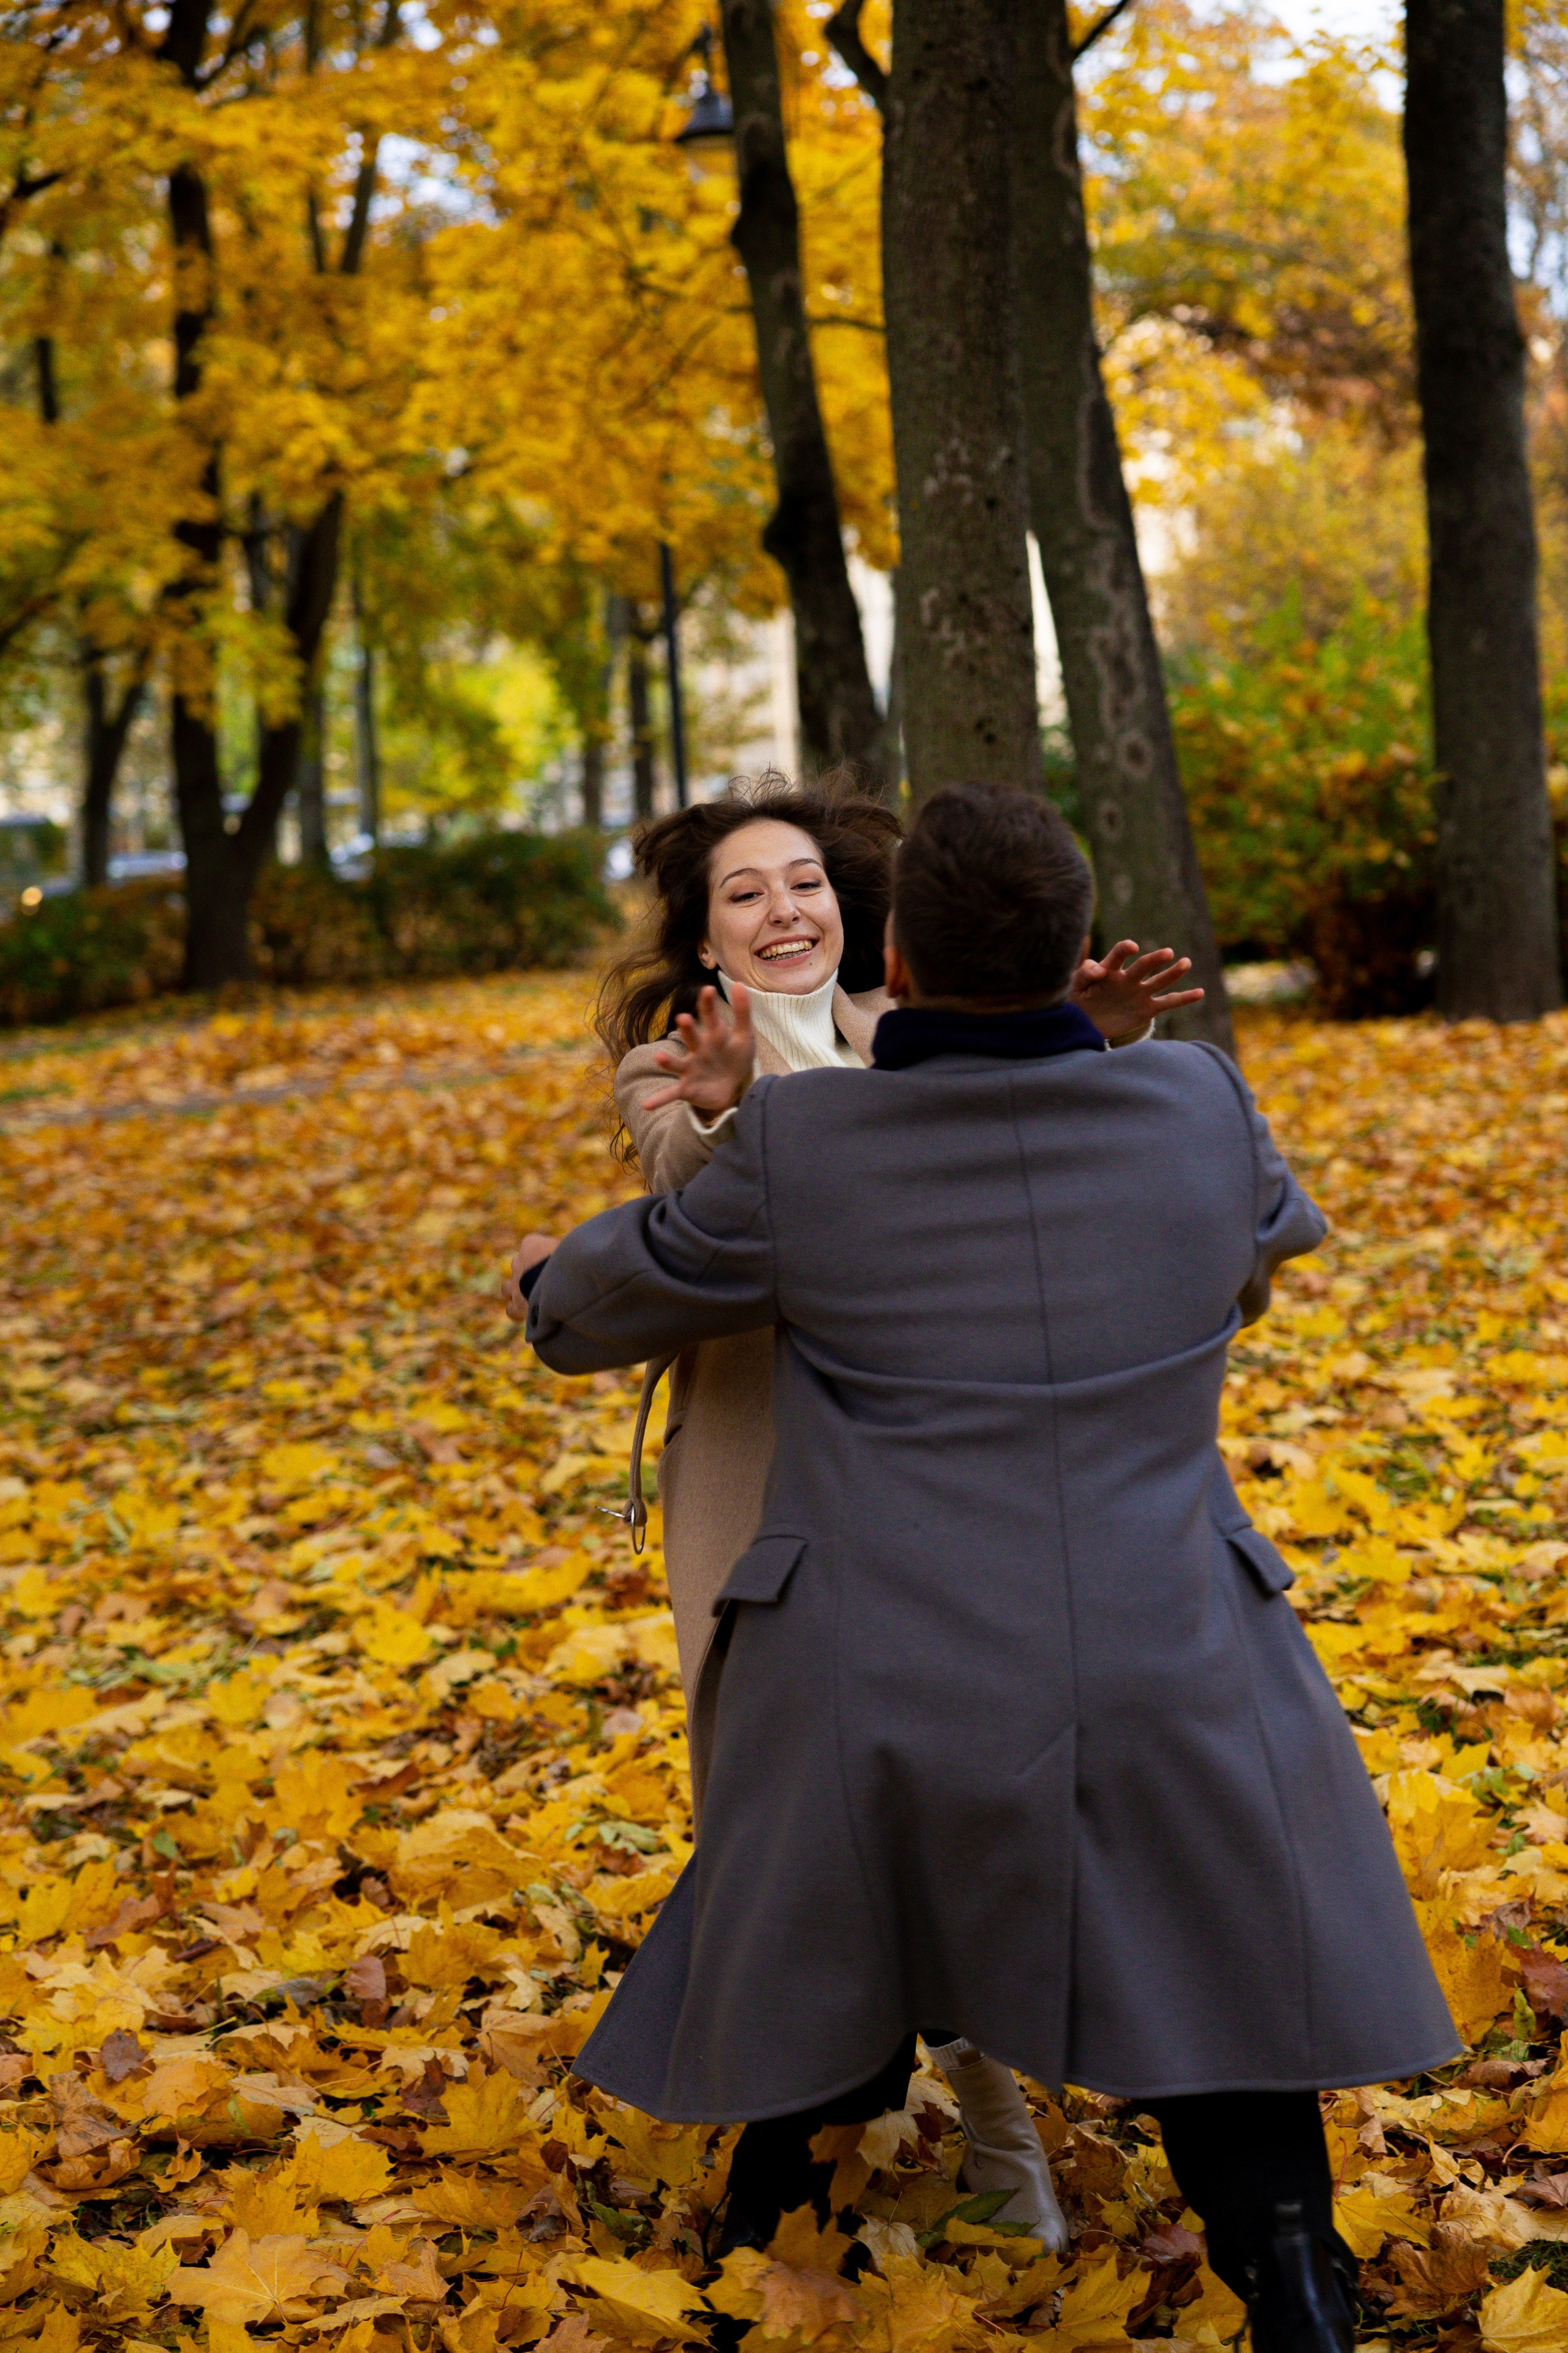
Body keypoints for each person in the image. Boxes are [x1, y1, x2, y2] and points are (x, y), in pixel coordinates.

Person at [513, 783, 1459, 2353]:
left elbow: (586, 1316)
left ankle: (765, 2264)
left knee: (834, 1919)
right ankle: (1295, 2285)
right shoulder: (1195, 1102)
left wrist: (553, 1274)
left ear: (894, 956)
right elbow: (1255, 1251)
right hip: (1170, 1642)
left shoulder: (810, 1144)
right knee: (1217, 1968)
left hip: (890, 1670)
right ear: (1071, 946)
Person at [580, 775, 1200, 2245]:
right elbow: (683, 1202)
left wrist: (1096, 1040)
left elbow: (1030, 1138)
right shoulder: (672, 1064)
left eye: (802, 880)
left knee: (944, 1807)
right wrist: (723, 1112)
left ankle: (993, 2134)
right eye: (743, 892)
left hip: (929, 1474)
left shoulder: (907, 1030)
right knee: (792, 1824)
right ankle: (811, 2144)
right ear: (704, 936)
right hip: (762, 1479)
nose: (781, 909)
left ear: (851, 909)